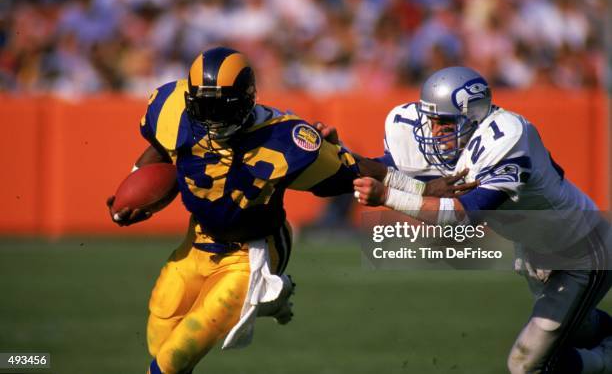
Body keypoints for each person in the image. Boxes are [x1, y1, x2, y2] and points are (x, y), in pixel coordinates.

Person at [106, 47, 471, 374]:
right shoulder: (172, 108)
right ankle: (269, 300)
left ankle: (264, 288)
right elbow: (158, 144)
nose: (213, 119)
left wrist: (423, 188)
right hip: (198, 239)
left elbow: (356, 170)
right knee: (159, 334)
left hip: (252, 251)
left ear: (246, 100)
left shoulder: (286, 139)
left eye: (222, 108)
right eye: (204, 107)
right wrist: (135, 185)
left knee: (172, 361)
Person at [351, 66, 612, 373]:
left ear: (473, 116)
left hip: (581, 249)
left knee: (527, 364)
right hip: (535, 252)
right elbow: (384, 169)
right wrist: (331, 154)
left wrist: (387, 198)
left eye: (445, 124)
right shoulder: (433, 134)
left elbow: (465, 214)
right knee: (578, 328)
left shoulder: (507, 136)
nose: (434, 132)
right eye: (431, 121)